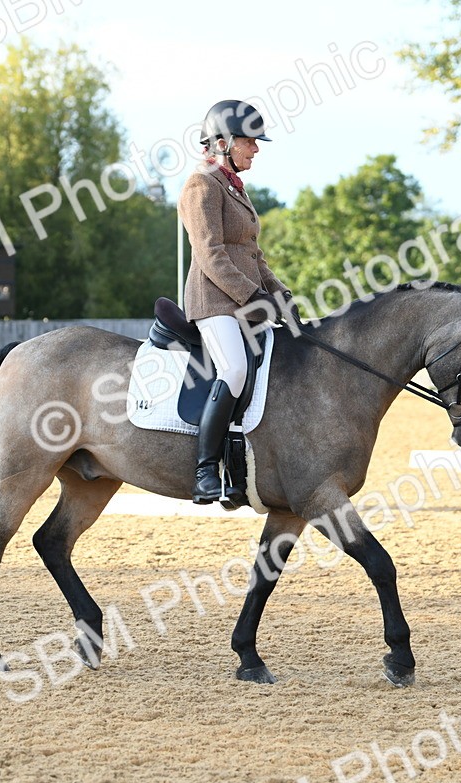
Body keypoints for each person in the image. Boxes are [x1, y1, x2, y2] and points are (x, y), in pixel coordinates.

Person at [179, 99, 292, 504]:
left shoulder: (233, 187)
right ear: (224, 142)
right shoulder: (201, 185)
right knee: (236, 369)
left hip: (243, 300)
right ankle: (205, 472)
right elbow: (211, 255)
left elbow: (253, 255)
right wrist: (254, 298)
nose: (256, 149)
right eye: (250, 141)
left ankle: (244, 469)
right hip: (214, 302)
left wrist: (281, 296)